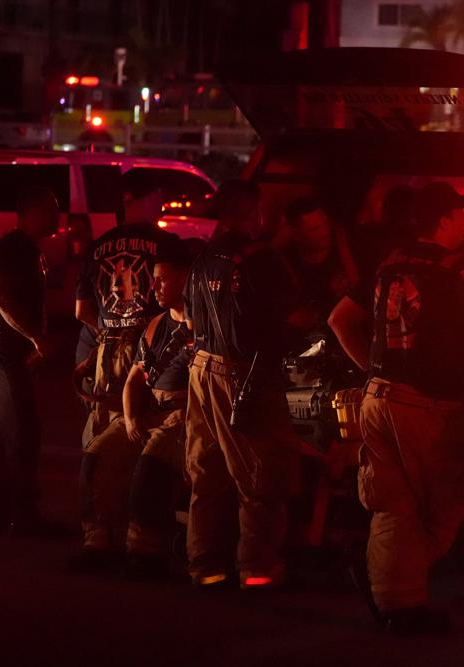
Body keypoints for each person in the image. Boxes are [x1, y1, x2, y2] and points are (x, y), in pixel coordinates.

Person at [328, 182, 464, 634]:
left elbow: (339, 320)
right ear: (444, 220)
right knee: (451, 501)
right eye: (460, 215)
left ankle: (394, 601)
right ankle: (394, 589)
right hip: (426, 407)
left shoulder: (387, 262)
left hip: (378, 398)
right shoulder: (454, 266)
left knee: (394, 507)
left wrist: (374, 369)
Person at [183, 180, 303, 590]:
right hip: (243, 374)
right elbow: (290, 317)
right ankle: (257, 569)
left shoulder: (203, 258)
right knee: (259, 475)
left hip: (201, 369)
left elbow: (187, 314)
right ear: (253, 213)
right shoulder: (259, 260)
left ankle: (205, 567)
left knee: (207, 472)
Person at [71, 242, 194, 577]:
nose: (153, 287)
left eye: (163, 280)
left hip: (184, 413)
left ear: (186, 281)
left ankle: (145, 552)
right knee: (99, 453)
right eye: (153, 279)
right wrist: (129, 419)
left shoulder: (205, 329)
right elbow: (133, 382)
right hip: (148, 410)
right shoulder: (155, 326)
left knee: (152, 462)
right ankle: (99, 542)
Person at [0, 186, 59, 536]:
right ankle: (23, 518)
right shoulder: (12, 249)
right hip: (2, 351)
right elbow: (5, 301)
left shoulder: (26, 249)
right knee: (22, 433)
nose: (57, 217)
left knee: (3, 434)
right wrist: (37, 339)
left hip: (7, 351)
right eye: (51, 209)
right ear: (32, 211)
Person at [75, 172, 180, 446]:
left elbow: (81, 311)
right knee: (146, 432)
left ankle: (99, 481)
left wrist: (109, 330)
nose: (161, 204)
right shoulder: (167, 245)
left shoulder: (97, 247)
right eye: (158, 197)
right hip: (151, 355)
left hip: (108, 357)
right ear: (144, 199)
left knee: (104, 430)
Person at [282, 196, 360, 328]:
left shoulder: (347, 246)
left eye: (325, 224)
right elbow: (297, 318)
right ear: (296, 234)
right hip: (318, 334)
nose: (325, 232)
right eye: (315, 229)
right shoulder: (287, 263)